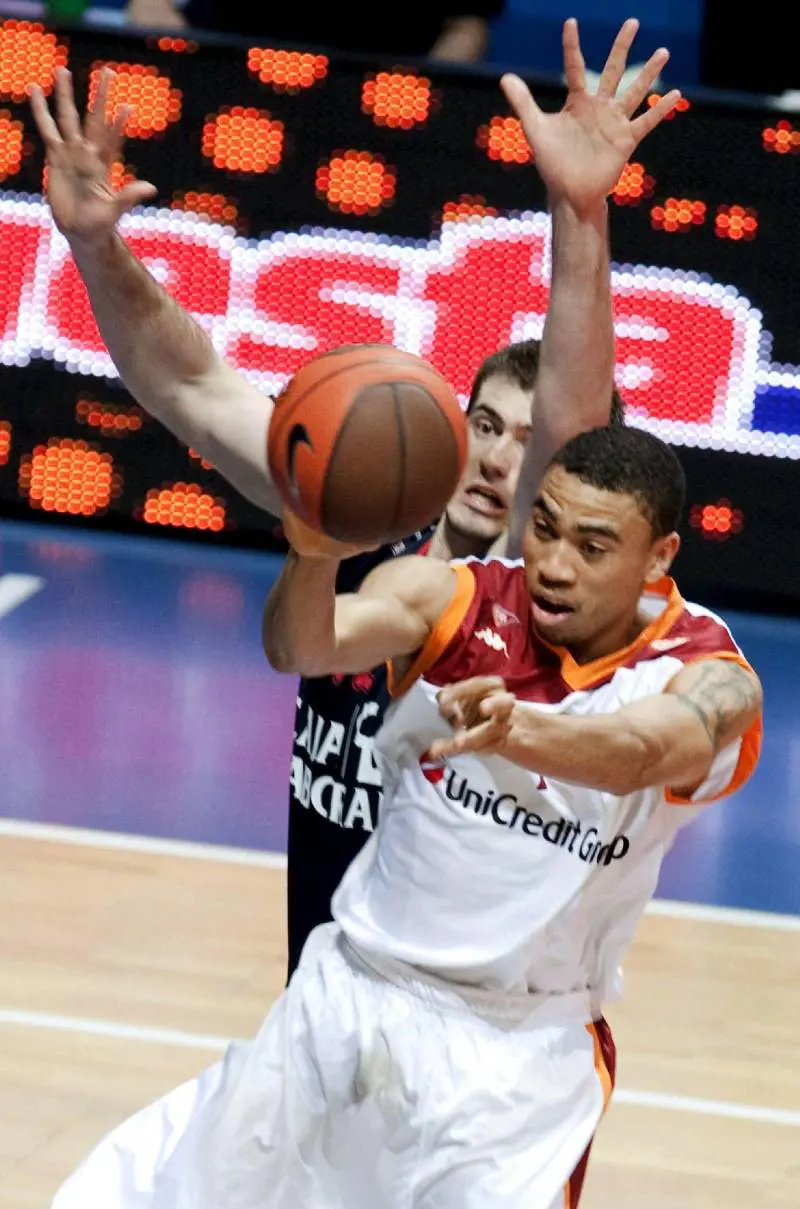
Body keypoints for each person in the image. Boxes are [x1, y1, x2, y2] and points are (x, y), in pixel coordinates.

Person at [30, 16, 674, 988]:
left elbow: (572, 424)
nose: (501, 458)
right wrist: (95, 245)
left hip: (463, 1011)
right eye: (484, 426)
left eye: (525, 439)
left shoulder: (525, 590)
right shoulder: (359, 516)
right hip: (326, 995)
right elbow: (191, 385)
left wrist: (578, 212)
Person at [51, 421, 763, 1209]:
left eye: (593, 548)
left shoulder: (706, 670)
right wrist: (313, 554)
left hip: (517, 1053)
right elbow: (304, 647)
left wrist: (521, 730)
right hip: (351, 996)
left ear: (658, 557)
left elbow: (648, 746)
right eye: (545, 528)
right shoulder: (456, 597)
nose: (555, 565)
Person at [125, 0, 505, 64]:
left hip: (383, 105)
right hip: (227, 82)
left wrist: (414, 93)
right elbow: (148, 7)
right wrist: (185, 66)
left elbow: (467, 27)